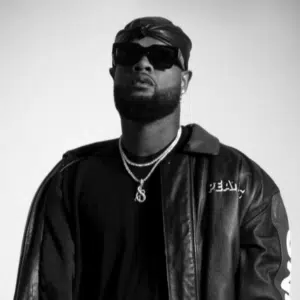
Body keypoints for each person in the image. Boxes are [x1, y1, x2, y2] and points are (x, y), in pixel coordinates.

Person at [13, 16, 291, 300]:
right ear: (113, 73)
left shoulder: (242, 182)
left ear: (184, 81)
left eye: (161, 57)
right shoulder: (69, 181)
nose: (143, 64)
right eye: (128, 54)